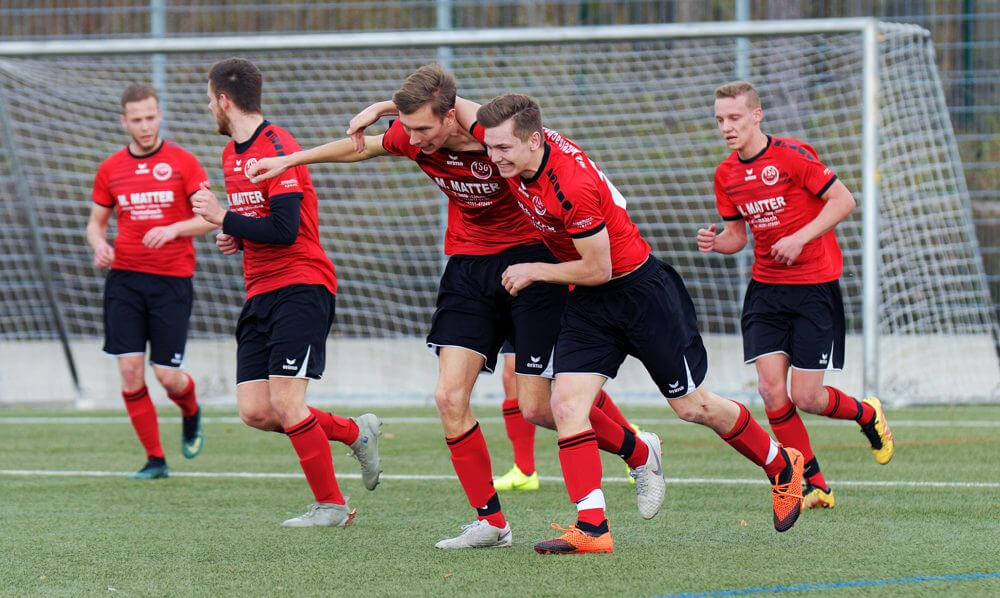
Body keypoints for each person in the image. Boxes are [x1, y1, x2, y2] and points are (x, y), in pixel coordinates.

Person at [247, 65, 660, 548]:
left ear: (451, 118)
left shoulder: (491, 136)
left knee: (538, 407)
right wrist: (289, 161)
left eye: (423, 128)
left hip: (533, 260)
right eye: (408, 127)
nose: (411, 139)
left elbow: (541, 149)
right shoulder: (414, 134)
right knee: (448, 398)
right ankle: (491, 522)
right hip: (468, 265)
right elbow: (362, 148)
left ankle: (637, 450)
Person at [468, 93, 806, 555]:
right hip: (590, 305)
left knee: (693, 408)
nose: (493, 158)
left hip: (640, 294)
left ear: (533, 140)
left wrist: (536, 270)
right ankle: (592, 527)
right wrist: (390, 108)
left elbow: (599, 268)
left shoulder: (570, 184)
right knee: (566, 405)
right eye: (489, 148)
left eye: (502, 149)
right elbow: (461, 112)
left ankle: (781, 465)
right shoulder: (517, 147)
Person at [190, 58, 381, 528]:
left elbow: (286, 229)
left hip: (301, 284)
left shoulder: (277, 146)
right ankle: (354, 432)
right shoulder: (230, 154)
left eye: (208, 99)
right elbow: (259, 224)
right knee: (256, 410)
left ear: (222, 99)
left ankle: (332, 507)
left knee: (289, 404)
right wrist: (233, 234)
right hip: (259, 290)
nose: (208, 107)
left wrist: (221, 217)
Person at [698, 81, 895, 508]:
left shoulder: (792, 155)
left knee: (807, 397)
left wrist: (800, 238)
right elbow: (737, 236)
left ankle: (867, 414)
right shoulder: (726, 174)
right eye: (719, 120)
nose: (726, 127)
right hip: (766, 291)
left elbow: (843, 201)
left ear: (756, 115)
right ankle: (815, 485)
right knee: (771, 392)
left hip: (813, 288)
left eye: (734, 118)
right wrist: (718, 243)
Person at [87, 83, 214, 479]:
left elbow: (209, 217)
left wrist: (175, 229)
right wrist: (99, 246)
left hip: (171, 280)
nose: (145, 126)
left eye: (150, 117)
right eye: (137, 119)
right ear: (125, 122)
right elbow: (96, 223)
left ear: (160, 116)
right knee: (129, 371)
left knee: (167, 377)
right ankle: (155, 459)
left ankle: (190, 408)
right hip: (124, 279)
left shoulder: (183, 162)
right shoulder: (110, 168)